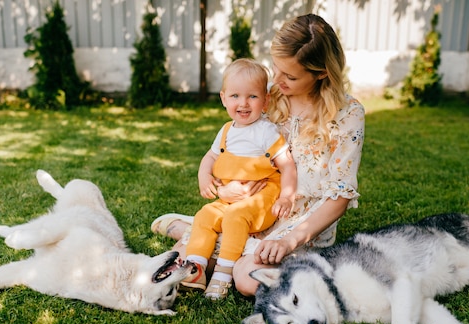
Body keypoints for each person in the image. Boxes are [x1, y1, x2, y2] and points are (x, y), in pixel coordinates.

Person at [151, 13, 364, 297]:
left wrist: (289, 242)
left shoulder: (348, 114)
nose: (276, 80)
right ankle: (201, 234)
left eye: (289, 76)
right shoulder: (269, 97)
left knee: (248, 280)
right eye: (275, 68)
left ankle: (188, 229)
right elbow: (237, 147)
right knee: (188, 259)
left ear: (322, 73)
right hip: (253, 207)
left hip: (302, 222)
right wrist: (226, 187)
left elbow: (341, 194)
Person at [176, 58, 297, 300]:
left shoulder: (266, 131)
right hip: (231, 197)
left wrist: (286, 196)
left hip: (262, 198)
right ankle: (196, 267)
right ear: (223, 99)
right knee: (205, 216)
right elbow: (209, 157)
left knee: (234, 218)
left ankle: (224, 272)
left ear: (265, 100)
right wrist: (204, 176)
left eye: (252, 96)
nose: (243, 103)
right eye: (235, 96)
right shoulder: (226, 131)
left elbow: (287, 165)